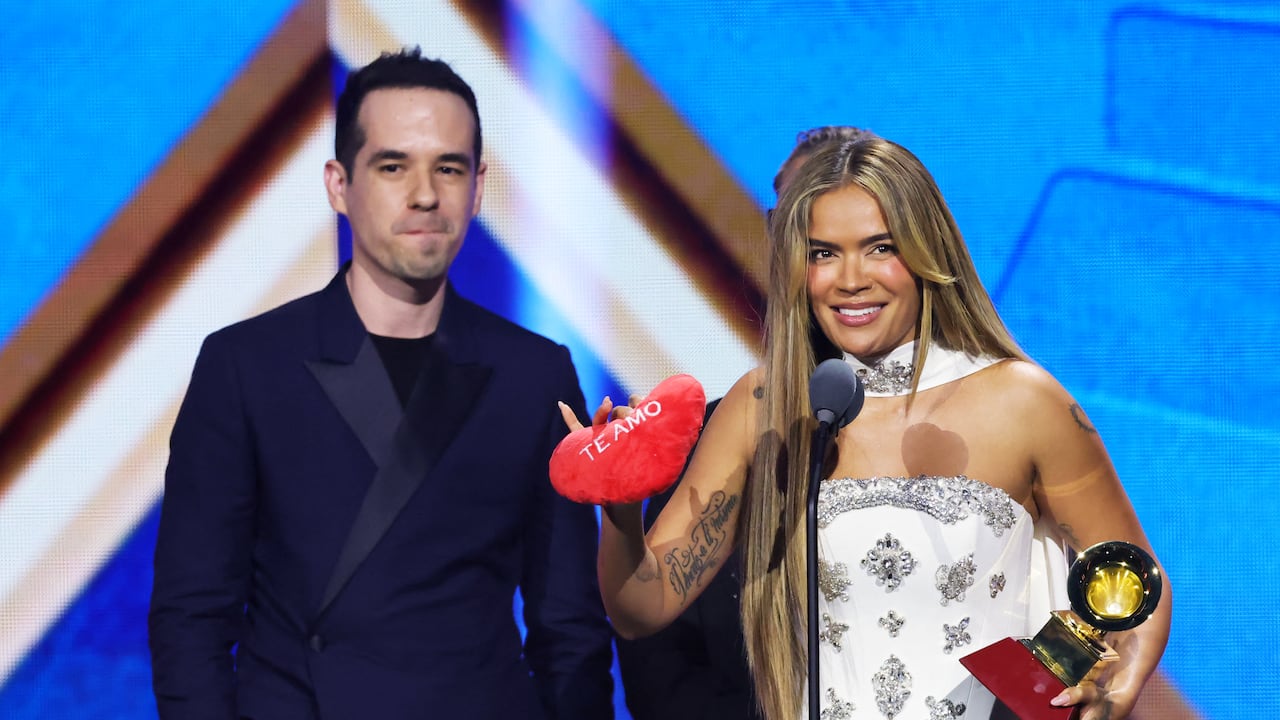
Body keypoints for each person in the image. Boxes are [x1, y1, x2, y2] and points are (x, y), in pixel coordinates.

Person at [573, 133, 1170, 720]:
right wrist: (621, 515)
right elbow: (642, 607)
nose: (850, 278)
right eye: (822, 253)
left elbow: (1137, 582)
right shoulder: (765, 406)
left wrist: (1109, 697)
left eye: (880, 247)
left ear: (926, 253)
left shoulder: (1021, 401)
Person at [149, 48, 614, 720]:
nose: (425, 194)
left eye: (448, 168)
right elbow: (191, 618)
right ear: (339, 185)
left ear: (478, 187)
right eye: (393, 166)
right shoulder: (245, 367)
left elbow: (569, 628)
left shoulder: (535, 374)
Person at [615, 126, 873, 720]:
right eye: (804, 233)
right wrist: (622, 521)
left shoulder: (983, 409)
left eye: (862, 239)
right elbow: (652, 637)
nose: (839, 267)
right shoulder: (724, 428)